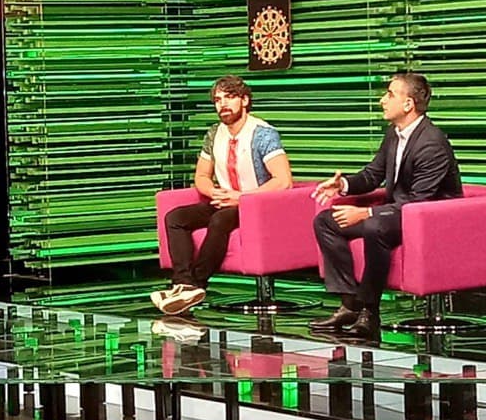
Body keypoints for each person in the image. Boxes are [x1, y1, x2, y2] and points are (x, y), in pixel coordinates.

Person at [309, 70, 463, 339]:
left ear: (408, 104)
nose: (382, 100)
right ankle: (350, 305)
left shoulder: (432, 143)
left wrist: (367, 212)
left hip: (431, 219)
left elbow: (419, 200)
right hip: (399, 212)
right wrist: (342, 185)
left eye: (390, 94)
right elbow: (373, 174)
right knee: (326, 221)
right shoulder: (394, 134)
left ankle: (370, 311)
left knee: (374, 226)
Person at [153, 75, 293, 315]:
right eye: (218, 100)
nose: (223, 105)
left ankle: (197, 285)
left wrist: (241, 198)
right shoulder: (214, 133)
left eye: (229, 98)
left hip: (257, 205)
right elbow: (201, 176)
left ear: (245, 101)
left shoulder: (263, 134)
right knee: (175, 218)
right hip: (225, 201)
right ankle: (183, 284)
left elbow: (283, 180)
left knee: (220, 220)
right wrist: (214, 192)